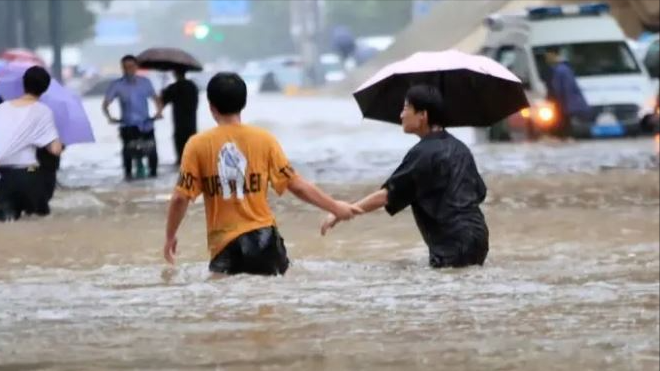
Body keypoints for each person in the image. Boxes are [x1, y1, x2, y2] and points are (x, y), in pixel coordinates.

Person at [163, 72, 361, 275]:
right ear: (244, 103)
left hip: (226, 248)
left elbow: (180, 197)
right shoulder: (264, 139)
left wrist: (170, 236)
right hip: (266, 241)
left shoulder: (197, 145)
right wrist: (335, 207)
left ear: (211, 106)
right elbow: (296, 185)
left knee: (225, 303)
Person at [321, 84, 489, 269]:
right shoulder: (461, 148)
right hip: (479, 235)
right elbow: (479, 191)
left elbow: (387, 195)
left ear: (423, 115)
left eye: (406, 108)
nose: (401, 115)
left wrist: (345, 211)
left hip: (451, 241)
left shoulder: (422, 153)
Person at [0, 66, 63, 221]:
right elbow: (55, 150)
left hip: (3, 179)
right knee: (39, 222)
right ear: (45, 88)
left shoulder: (2, 108)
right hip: (27, 178)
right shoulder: (42, 111)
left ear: (24, 83)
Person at [102, 55, 163, 180]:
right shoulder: (117, 85)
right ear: (122, 69)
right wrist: (110, 117)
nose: (128, 69)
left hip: (146, 124)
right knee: (127, 154)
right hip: (127, 125)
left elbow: (156, 99)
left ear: (136, 67)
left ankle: (153, 175)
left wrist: (159, 112)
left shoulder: (145, 82)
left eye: (131, 66)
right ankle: (128, 175)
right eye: (125, 67)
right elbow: (105, 104)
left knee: (152, 154)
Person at [543, 46, 591, 139]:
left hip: (564, 106)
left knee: (564, 130)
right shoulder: (561, 69)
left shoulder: (561, 70)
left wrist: (559, 103)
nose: (547, 59)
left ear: (553, 55)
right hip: (564, 106)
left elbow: (564, 89)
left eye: (548, 56)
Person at [161, 68, 198, 165]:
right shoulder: (192, 86)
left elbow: (163, 101)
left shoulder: (173, 87)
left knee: (181, 155)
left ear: (174, 74)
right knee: (192, 149)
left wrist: (163, 90)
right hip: (191, 122)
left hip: (179, 123)